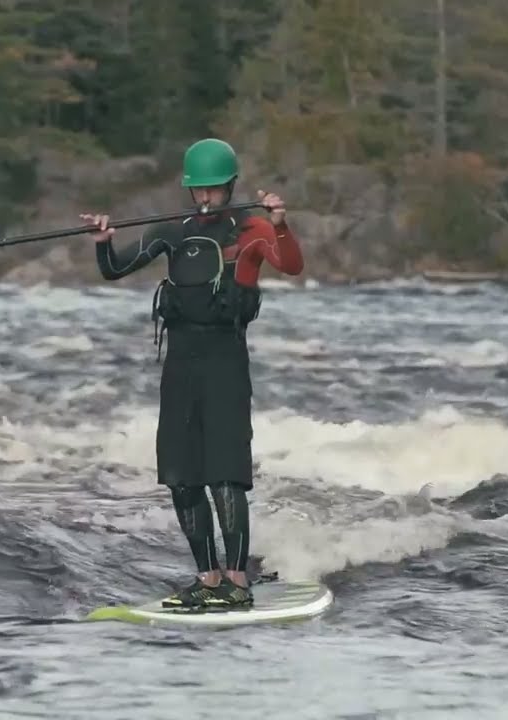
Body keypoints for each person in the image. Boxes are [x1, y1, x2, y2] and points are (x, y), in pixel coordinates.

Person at [80, 137, 304, 608]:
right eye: (197, 190)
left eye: (213, 190)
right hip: (180, 362)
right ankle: (207, 577)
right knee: (182, 475)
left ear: (230, 186)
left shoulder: (251, 228)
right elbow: (116, 269)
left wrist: (280, 226)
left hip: (225, 359)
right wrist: (104, 241)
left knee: (225, 474)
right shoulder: (173, 231)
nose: (205, 198)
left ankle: (237, 582)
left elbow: (291, 264)